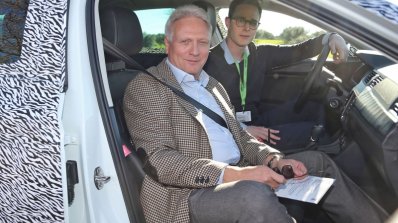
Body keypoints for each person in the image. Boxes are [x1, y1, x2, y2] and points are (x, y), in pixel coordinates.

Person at [123, 4, 387, 223]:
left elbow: (240, 136)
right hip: (187, 195)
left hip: (237, 171)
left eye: (202, 42)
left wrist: (273, 160)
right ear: (168, 44)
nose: (195, 51)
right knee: (253, 194)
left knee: (318, 163)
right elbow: (160, 161)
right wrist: (238, 175)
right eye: (185, 42)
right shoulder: (147, 88)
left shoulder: (210, 84)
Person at [204, 0, 349, 150]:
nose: (247, 27)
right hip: (230, 133)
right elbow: (204, 109)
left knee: (315, 107)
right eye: (241, 20)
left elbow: (298, 51)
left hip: (256, 120)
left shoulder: (260, 54)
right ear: (228, 22)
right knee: (314, 132)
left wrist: (332, 37)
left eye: (253, 22)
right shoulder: (207, 61)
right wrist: (242, 129)